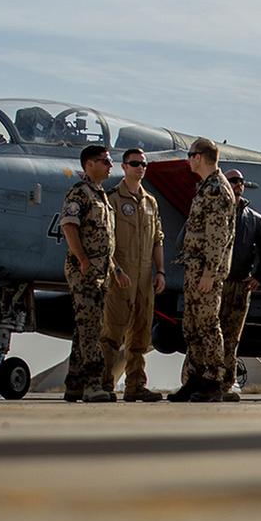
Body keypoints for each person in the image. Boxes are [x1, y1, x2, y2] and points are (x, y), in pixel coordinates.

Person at [168, 137, 237, 403]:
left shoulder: (218, 189)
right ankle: (195, 378)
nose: (188, 160)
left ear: (199, 157)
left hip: (206, 272)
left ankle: (213, 380)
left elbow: (217, 235)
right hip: (195, 269)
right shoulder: (205, 187)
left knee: (208, 325)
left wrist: (210, 272)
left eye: (190, 155)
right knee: (192, 325)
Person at [59, 144, 127, 403]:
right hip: (85, 273)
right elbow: (69, 226)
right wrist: (82, 259)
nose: (110, 165)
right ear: (89, 164)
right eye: (105, 161)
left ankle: (74, 386)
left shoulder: (101, 196)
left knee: (85, 327)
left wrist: (115, 269)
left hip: (101, 273)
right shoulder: (80, 193)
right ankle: (92, 385)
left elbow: (105, 241)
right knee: (90, 330)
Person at [103, 148, 166, 402]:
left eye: (143, 164)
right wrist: (115, 269)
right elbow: (105, 240)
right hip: (120, 275)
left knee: (140, 334)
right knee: (112, 333)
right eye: (135, 163)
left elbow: (158, 240)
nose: (140, 168)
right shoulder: (113, 200)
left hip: (144, 278)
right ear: (124, 166)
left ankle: (135, 385)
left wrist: (160, 271)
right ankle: (105, 384)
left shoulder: (151, 202)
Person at [216, 168, 261, 401]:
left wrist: (258, 277)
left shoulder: (253, 219)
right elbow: (186, 240)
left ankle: (225, 385)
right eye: (233, 180)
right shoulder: (211, 212)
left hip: (238, 287)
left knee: (232, 337)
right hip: (214, 284)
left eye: (240, 181)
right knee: (205, 334)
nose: (237, 184)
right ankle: (196, 381)